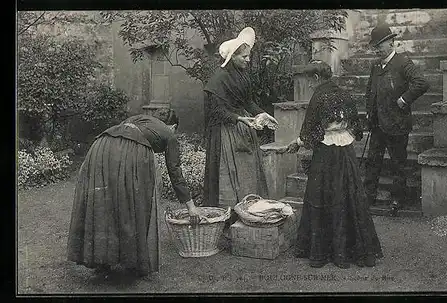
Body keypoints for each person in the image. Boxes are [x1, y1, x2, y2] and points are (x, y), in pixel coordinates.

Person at [67, 110, 203, 278]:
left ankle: (102, 261)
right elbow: (175, 173)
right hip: (130, 151)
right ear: (173, 126)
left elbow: (123, 133)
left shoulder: (138, 119)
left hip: (100, 147)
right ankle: (131, 261)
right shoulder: (170, 134)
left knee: (105, 203)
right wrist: (191, 207)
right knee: (133, 204)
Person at [286, 60, 383, 268]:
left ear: (317, 78)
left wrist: (297, 143)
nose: (310, 85)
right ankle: (349, 250)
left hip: (326, 155)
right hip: (346, 154)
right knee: (348, 196)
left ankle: (324, 252)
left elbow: (311, 133)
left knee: (322, 196)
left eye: (310, 81)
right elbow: (357, 129)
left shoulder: (319, 97)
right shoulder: (345, 94)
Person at [202, 27, 278, 210]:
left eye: (248, 56)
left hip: (242, 127)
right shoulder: (219, 79)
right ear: (232, 57)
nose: (248, 60)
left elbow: (248, 102)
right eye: (244, 57)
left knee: (247, 171)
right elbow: (215, 112)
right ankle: (228, 213)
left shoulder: (243, 76)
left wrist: (262, 114)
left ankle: (247, 208)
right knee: (228, 174)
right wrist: (240, 119)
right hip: (224, 132)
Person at [363, 24, 430, 215]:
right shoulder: (375, 66)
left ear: (391, 42)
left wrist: (404, 99)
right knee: (373, 161)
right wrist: (370, 111)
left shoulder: (403, 62)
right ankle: (368, 196)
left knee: (398, 164)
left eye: (380, 45)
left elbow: (422, 83)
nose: (376, 49)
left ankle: (397, 199)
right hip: (377, 124)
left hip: (397, 124)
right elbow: (370, 91)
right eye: (375, 46)